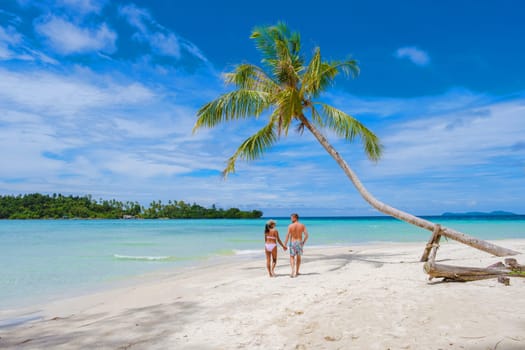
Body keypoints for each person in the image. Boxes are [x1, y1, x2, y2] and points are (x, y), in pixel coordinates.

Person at [284, 213, 309, 278]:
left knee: (292, 257)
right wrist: (303, 242)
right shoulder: (302, 225)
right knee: (298, 257)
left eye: (291, 218)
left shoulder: (290, 226)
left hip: (293, 242)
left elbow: (287, 236)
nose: (291, 219)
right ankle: (297, 272)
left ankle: (293, 271)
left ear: (295, 218)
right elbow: (306, 235)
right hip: (299, 242)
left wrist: (285, 244)